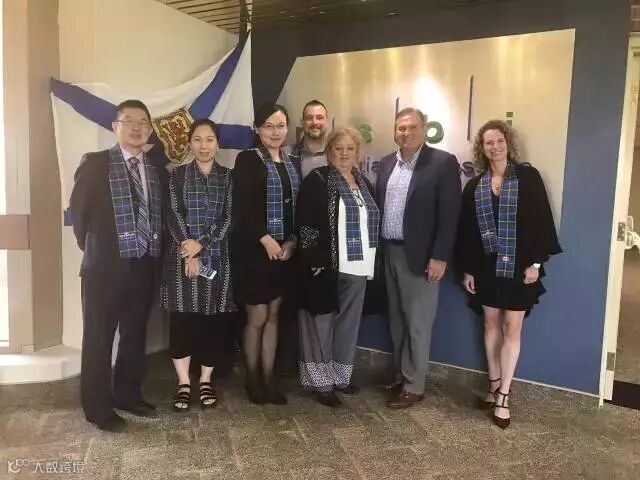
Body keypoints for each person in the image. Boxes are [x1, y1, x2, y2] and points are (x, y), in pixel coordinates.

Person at [456, 119, 561, 428]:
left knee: (512, 329)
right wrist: (468, 269)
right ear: (482, 148)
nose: (495, 147)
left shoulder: (528, 178)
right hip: (486, 267)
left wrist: (536, 264)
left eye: (499, 141)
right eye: (489, 142)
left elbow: (542, 221)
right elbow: (467, 233)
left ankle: (504, 396)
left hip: (520, 266)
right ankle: (493, 385)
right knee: (490, 324)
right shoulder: (475, 185)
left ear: (508, 143)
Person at [70, 100, 162, 432]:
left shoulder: (155, 169)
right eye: (129, 121)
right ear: (115, 127)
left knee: (134, 336)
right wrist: (99, 251)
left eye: (143, 122)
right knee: (98, 338)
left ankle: (128, 395)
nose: (137, 127)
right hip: (104, 270)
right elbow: (79, 216)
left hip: (144, 268)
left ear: (150, 129)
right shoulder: (96, 164)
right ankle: (98, 409)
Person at [376, 107, 461, 409]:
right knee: (397, 321)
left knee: (417, 324)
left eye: (412, 127)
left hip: (421, 257)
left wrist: (440, 256)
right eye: (401, 128)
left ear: (424, 129)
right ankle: (401, 375)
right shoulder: (387, 163)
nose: (406, 133)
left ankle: (415, 386)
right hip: (389, 252)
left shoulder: (443, 163)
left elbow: (450, 214)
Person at [296, 127, 379, 407]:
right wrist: (314, 259)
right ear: (329, 151)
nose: (344, 154)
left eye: (350, 149)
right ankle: (321, 383)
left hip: (359, 266)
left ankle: (341, 377)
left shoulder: (364, 182)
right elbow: (305, 223)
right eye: (338, 148)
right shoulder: (317, 180)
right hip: (327, 265)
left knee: (348, 324)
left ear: (358, 153)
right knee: (321, 323)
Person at [161, 119, 235, 412]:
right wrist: (190, 252)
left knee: (211, 322)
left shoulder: (228, 177)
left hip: (216, 258)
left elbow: (229, 218)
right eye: (198, 140)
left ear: (218, 144)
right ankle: (183, 382)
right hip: (181, 259)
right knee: (182, 321)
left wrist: (201, 245)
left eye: (210, 140)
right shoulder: (176, 176)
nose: (204, 146)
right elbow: (173, 214)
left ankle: (205, 380)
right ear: (190, 144)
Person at [231, 103, 301, 404]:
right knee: (257, 316)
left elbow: (297, 207)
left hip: (284, 252)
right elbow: (243, 206)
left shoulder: (292, 161)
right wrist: (266, 239)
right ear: (258, 129)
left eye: (281, 125)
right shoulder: (248, 159)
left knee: (274, 315)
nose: (275, 132)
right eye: (269, 126)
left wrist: (292, 242)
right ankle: (252, 379)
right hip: (255, 251)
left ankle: (269, 379)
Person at [289, 99, 330, 179]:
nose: (314, 122)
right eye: (309, 118)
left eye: (319, 118)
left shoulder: (338, 154)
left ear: (327, 122)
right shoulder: (286, 154)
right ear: (302, 122)